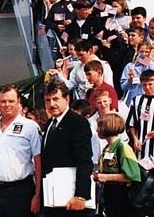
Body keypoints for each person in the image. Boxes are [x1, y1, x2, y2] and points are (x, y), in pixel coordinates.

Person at [0, 84, 42, 217]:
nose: (7, 105)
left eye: (11, 101)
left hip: (20, 192)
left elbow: (38, 161)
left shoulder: (30, 127)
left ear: (18, 102)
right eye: (3, 101)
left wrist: (37, 194)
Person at [41, 81, 93, 217]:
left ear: (67, 99)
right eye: (48, 100)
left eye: (56, 99)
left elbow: (84, 160)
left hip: (71, 199)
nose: (52, 104)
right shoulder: (49, 124)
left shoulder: (78, 123)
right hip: (53, 197)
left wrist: (81, 195)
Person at [93, 113, 141, 217]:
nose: (97, 130)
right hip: (109, 194)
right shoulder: (107, 148)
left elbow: (132, 175)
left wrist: (105, 177)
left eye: (99, 126)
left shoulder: (123, 147)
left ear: (108, 126)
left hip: (122, 195)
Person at [126, 69, 154, 159]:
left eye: (150, 84)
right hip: (141, 146)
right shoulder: (136, 100)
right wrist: (135, 139)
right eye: (144, 85)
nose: (147, 87)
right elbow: (131, 123)